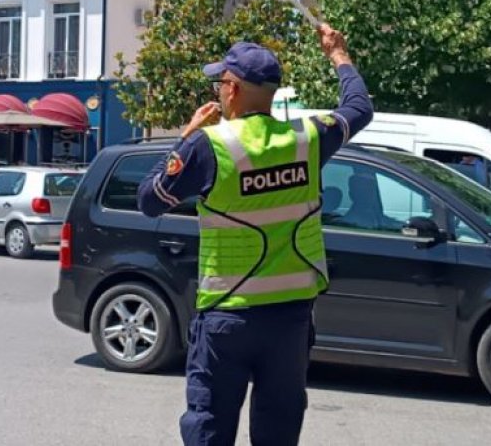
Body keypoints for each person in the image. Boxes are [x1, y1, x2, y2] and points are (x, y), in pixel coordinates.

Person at [137, 24, 373, 446]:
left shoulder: (209, 146)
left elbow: (149, 200)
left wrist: (187, 134)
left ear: (233, 89)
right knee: (278, 431)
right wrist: (338, 54)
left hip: (227, 317)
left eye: (221, 81)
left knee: (209, 427)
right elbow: (359, 107)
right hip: (289, 321)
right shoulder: (307, 138)